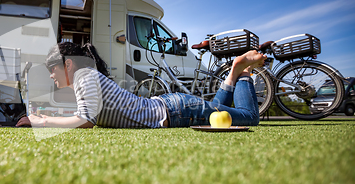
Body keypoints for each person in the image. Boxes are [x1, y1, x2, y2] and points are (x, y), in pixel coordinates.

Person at [16, 42, 266, 128]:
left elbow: (86, 120)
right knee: (215, 112)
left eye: (52, 70)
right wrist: (47, 116)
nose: (51, 76)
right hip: (175, 108)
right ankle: (234, 74)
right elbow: (84, 115)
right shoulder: (85, 79)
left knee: (249, 117)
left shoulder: (84, 77)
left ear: (68, 64)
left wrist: (43, 121)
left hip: (177, 112)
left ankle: (241, 72)